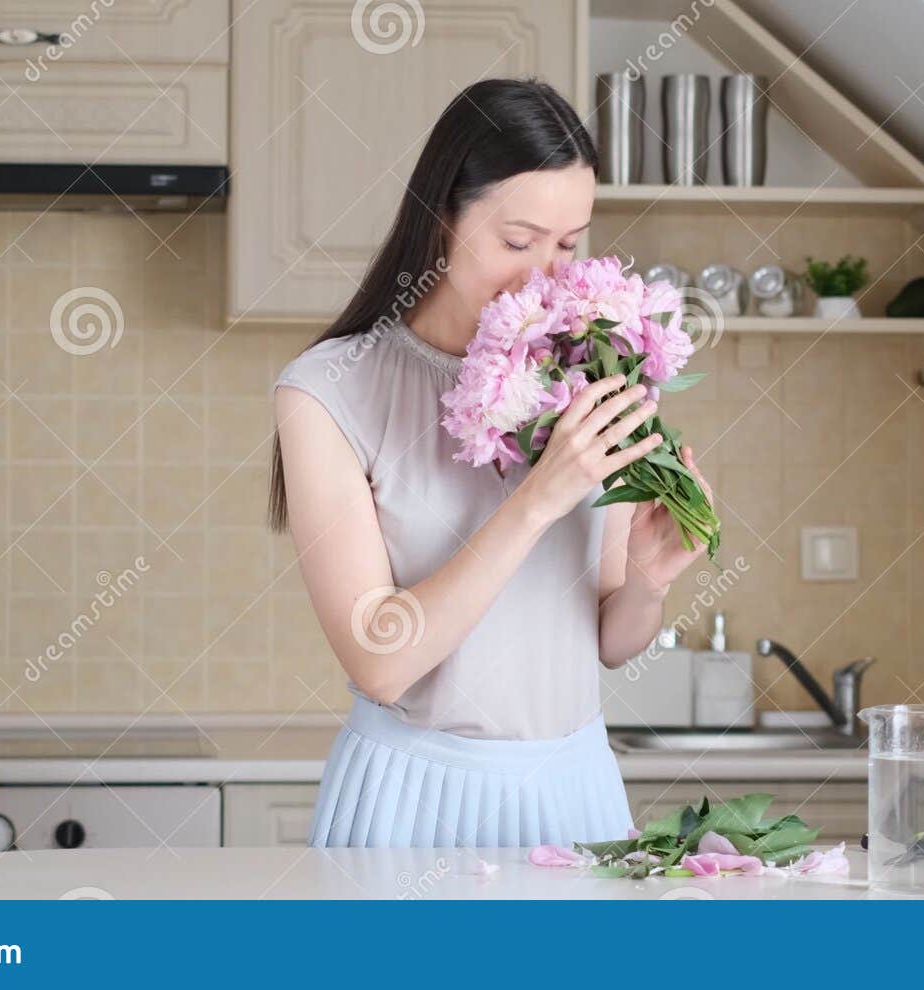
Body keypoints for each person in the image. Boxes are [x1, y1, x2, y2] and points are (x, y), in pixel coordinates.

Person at [269, 77, 715, 848]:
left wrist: (647, 580)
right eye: (518, 241)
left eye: (569, 244)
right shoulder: (330, 390)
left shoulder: (591, 366)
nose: (546, 276)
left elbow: (608, 640)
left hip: (574, 793)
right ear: (442, 213)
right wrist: (539, 499)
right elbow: (381, 662)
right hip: (412, 799)